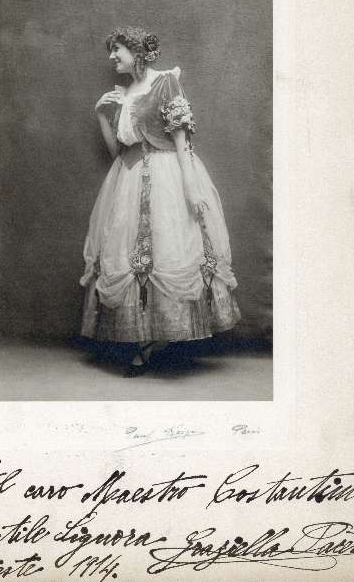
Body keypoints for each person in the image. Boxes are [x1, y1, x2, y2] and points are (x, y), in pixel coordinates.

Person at [80, 26, 240, 376]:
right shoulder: (122, 95)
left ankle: (160, 340)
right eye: (111, 51)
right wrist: (102, 115)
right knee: (133, 257)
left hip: (167, 174)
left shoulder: (166, 82)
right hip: (128, 178)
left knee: (169, 250)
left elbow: (181, 139)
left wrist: (191, 186)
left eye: (117, 49)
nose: (112, 57)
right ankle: (144, 338)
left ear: (136, 51)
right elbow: (117, 151)